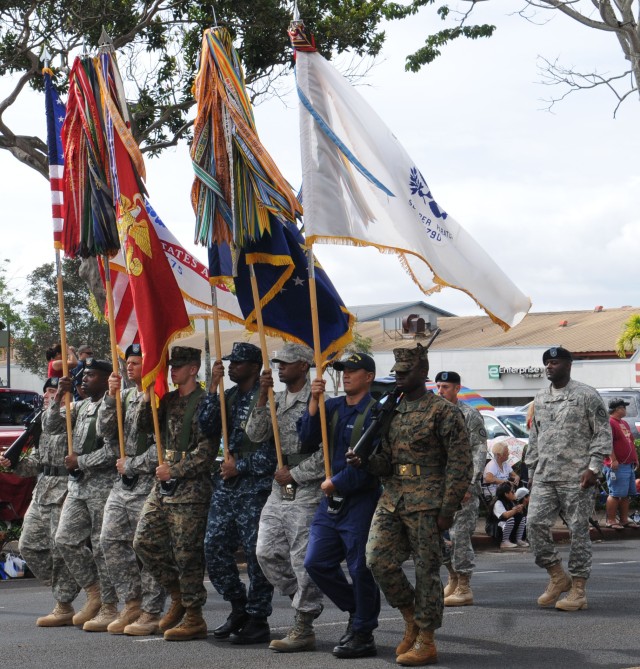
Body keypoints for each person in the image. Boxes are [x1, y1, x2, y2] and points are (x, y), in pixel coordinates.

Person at [361, 344, 471, 666]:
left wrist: (448, 509)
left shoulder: (443, 411)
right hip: (394, 497)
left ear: (422, 373)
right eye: (396, 372)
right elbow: (385, 462)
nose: (399, 378)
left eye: (405, 372)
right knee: (376, 559)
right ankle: (410, 616)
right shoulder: (390, 411)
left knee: (426, 572)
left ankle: (427, 638)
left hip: (428, 501)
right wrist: (365, 461)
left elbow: (460, 465)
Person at [299, 352, 381, 660]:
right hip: (330, 502)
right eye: (344, 370)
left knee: (361, 568)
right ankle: (358, 609)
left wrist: (339, 482)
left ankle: (362, 630)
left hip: (359, 500)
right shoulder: (331, 407)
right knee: (316, 562)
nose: (346, 374)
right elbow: (306, 441)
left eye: (353, 370)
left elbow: (372, 462)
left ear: (369, 376)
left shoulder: (376, 413)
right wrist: (312, 401)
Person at [132, 346, 214, 642]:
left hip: (190, 489)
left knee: (187, 554)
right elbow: (142, 427)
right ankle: (178, 594)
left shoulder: (206, 402)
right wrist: (146, 393)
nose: (172, 370)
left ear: (194, 368)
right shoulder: (166, 400)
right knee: (143, 541)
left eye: (178, 366)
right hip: (163, 486)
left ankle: (194, 616)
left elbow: (207, 453)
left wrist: (175, 470)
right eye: (170, 366)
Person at [198, 342, 276, 645]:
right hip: (227, 486)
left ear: (255, 367)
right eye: (231, 361)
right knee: (213, 547)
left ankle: (258, 618)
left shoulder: (269, 398)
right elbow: (207, 427)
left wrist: (240, 466)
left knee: (256, 555)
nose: (232, 366)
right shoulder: (227, 397)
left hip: (255, 486)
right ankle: (238, 605)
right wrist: (213, 385)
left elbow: (274, 455)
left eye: (239, 362)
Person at [248, 343, 324, 653]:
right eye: (279, 363)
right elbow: (254, 434)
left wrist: (296, 473)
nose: (280, 367)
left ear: (304, 366)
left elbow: (326, 453)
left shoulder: (319, 401)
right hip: (279, 488)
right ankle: (301, 598)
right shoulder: (275, 399)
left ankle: (304, 623)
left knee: (301, 559)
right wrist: (260, 396)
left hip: (305, 487)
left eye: (288, 363)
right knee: (265, 552)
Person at [525, 346, 611, 611]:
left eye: (555, 362)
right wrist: (531, 472)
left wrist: (594, 468)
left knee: (578, 533)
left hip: (578, 477)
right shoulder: (540, 398)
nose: (550, 367)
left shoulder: (586, 395)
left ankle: (578, 590)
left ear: (568, 365)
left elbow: (602, 433)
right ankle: (557, 575)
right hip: (545, 475)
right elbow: (535, 437)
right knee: (534, 525)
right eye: (547, 363)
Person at [0, 377, 81, 626]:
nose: (48, 395)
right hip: (43, 489)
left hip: (65, 489)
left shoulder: (74, 420)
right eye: (46, 392)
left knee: (60, 547)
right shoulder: (42, 424)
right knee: (29, 546)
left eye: (54, 392)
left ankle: (64, 603)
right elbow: (36, 462)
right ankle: (71, 585)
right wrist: (13, 464)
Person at [45, 359, 118, 631]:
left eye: (91, 375)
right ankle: (94, 590)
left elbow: (114, 451)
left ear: (105, 379)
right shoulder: (82, 406)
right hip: (77, 487)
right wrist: (60, 397)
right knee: (65, 538)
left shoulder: (112, 406)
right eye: (84, 375)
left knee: (101, 547)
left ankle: (109, 606)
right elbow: (52, 426)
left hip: (102, 484)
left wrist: (82, 461)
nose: (84, 379)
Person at [97, 343, 165, 636]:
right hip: (122, 485)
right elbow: (105, 432)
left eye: (136, 362)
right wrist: (110, 398)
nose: (130, 367)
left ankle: (152, 610)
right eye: (129, 363)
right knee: (109, 540)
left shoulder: (159, 397)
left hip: (147, 482)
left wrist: (133, 464)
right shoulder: (123, 395)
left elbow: (163, 448)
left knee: (146, 546)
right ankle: (132, 602)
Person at [435, 370, 488, 607]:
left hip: (462, 485)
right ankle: (453, 577)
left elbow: (479, 450)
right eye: (438, 386)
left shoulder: (469, 415)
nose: (440, 391)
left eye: (445, 386)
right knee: (437, 536)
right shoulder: (434, 412)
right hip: (437, 485)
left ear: (457, 389)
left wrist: (470, 482)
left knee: (458, 536)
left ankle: (464, 586)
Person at [604, 398, 639, 529]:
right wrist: (613, 459)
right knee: (616, 493)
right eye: (624, 407)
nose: (625, 409)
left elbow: (630, 441)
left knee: (627, 494)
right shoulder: (610, 423)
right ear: (618, 409)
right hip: (618, 465)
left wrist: (635, 459)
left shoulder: (623, 423)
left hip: (628, 465)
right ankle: (611, 520)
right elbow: (608, 443)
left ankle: (624, 520)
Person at [493, 482, 528, 549]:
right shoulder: (498, 502)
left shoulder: (510, 501)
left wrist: (518, 509)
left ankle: (518, 540)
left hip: (504, 525)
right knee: (510, 519)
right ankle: (504, 542)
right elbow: (505, 515)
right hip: (496, 526)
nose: (514, 493)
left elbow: (513, 511)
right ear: (506, 494)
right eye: (512, 492)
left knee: (521, 517)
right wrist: (515, 510)